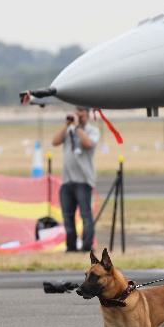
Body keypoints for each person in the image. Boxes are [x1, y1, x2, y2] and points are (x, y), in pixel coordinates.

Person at [52, 106, 100, 251]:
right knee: (67, 216)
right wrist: (67, 125)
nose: (79, 114)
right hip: (67, 180)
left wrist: (78, 127)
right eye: (77, 111)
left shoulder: (92, 131)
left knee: (86, 215)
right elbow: (55, 142)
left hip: (84, 181)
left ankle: (87, 246)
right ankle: (71, 246)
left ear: (87, 114)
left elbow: (88, 144)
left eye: (82, 112)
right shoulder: (69, 130)